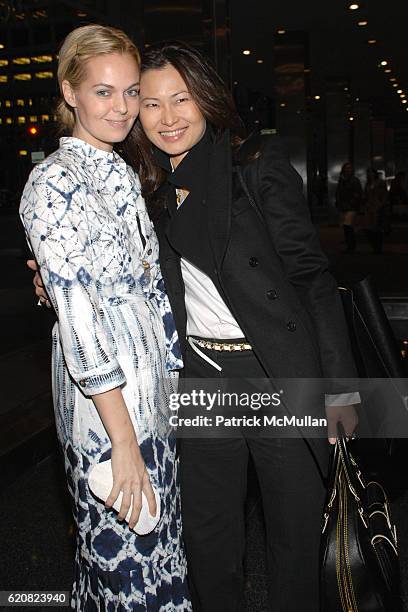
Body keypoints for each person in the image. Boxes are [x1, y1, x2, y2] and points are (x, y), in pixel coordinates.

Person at [30, 40, 359, 611]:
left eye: (179, 99)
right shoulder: (143, 183)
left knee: (296, 533)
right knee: (208, 539)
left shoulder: (255, 167)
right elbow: (109, 270)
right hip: (200, 374)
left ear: (206, 99)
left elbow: (311, 277)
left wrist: (343, 387)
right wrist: (52, 286)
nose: (166, 117)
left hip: (277, 372)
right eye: (149, 103)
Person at [20, 25, 190, 611]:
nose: (122, 108)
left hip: (153, 398)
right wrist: (123, 439)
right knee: (122, 566)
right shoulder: (53, 183)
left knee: (157, 556)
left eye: (130, 92)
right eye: (102, 92)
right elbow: (81, 325)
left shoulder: (118, 170)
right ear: (69, 92)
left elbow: (150, 288)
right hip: (105, 411)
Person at [335, 162, 363, 252]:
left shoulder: (354, 180)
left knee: (347, 225)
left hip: (351, 206)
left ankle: (351, 245)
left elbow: (357, 194)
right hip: (344, 206)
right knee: (346, 225)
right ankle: (350, 244)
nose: (348, 170)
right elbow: (339, 192)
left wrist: (351, 203)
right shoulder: (342, 180)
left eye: (350, 168)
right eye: (346, 168)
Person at [363, 168, 389, 254]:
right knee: (369, 228)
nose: (370, 174)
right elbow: (366, 195)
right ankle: (375, 246)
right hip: (369, 207)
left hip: (377, 206)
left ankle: (378, 248)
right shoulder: (368, 183)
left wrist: (381, 204)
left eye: (372, 173)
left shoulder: (380, 182)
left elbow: (384, 195)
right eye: (369, 173)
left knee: (377, 227)